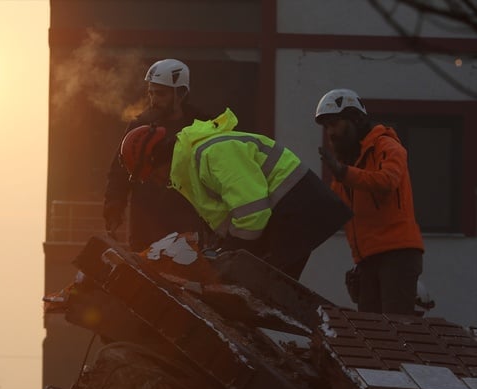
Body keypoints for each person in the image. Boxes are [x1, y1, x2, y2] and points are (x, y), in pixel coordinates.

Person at [118, 107, 352, 280]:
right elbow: (230, 217)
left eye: (152, 175)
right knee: (256, 288)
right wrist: (222, 249)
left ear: (155, 159)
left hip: (299, 209)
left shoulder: (211, 153)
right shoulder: (190, 166)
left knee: (261, 289)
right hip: (287, 214)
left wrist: (234, 251)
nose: (157, 183)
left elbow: (252, 211)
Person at [315, 88, 424, 315]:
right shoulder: (349, 165)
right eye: (327, 127)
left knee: (395, 333)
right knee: (373, 336)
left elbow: (387, 181)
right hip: (367, 260)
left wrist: (343, 173)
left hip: (397, 254)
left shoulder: (387, 146)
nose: (331, 133)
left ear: (356, 119)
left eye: (335, 123)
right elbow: (337, 212)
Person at [103, 58, 211, 251]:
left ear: (181, 93)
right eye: (151, 93)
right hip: (145, 229)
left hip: (187, 228)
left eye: (160, 94)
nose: (153, 99)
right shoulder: (139, 127)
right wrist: (114, 207)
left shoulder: (202, 127)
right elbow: (119, 171)